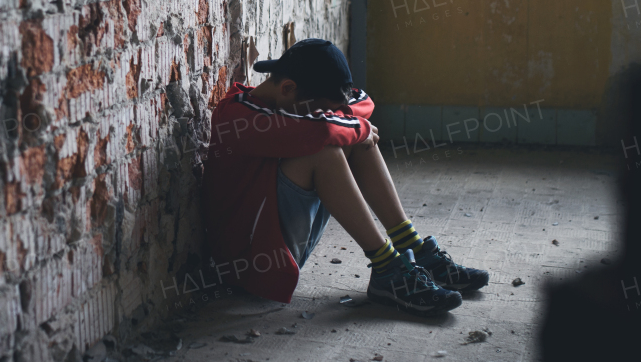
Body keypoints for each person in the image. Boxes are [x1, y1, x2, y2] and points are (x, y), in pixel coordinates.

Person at [202, 38, 488, 315]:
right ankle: (388, 269)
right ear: (288, 88)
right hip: (250, 261)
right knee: (327, 149)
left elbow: (363, 102)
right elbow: (322, 130)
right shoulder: (237, 118)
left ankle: (412, 247)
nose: (327, 116)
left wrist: (352, 124)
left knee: (353, 136)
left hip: (279, 241)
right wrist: (356, 126)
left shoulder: (290, 97)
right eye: (321, 111)